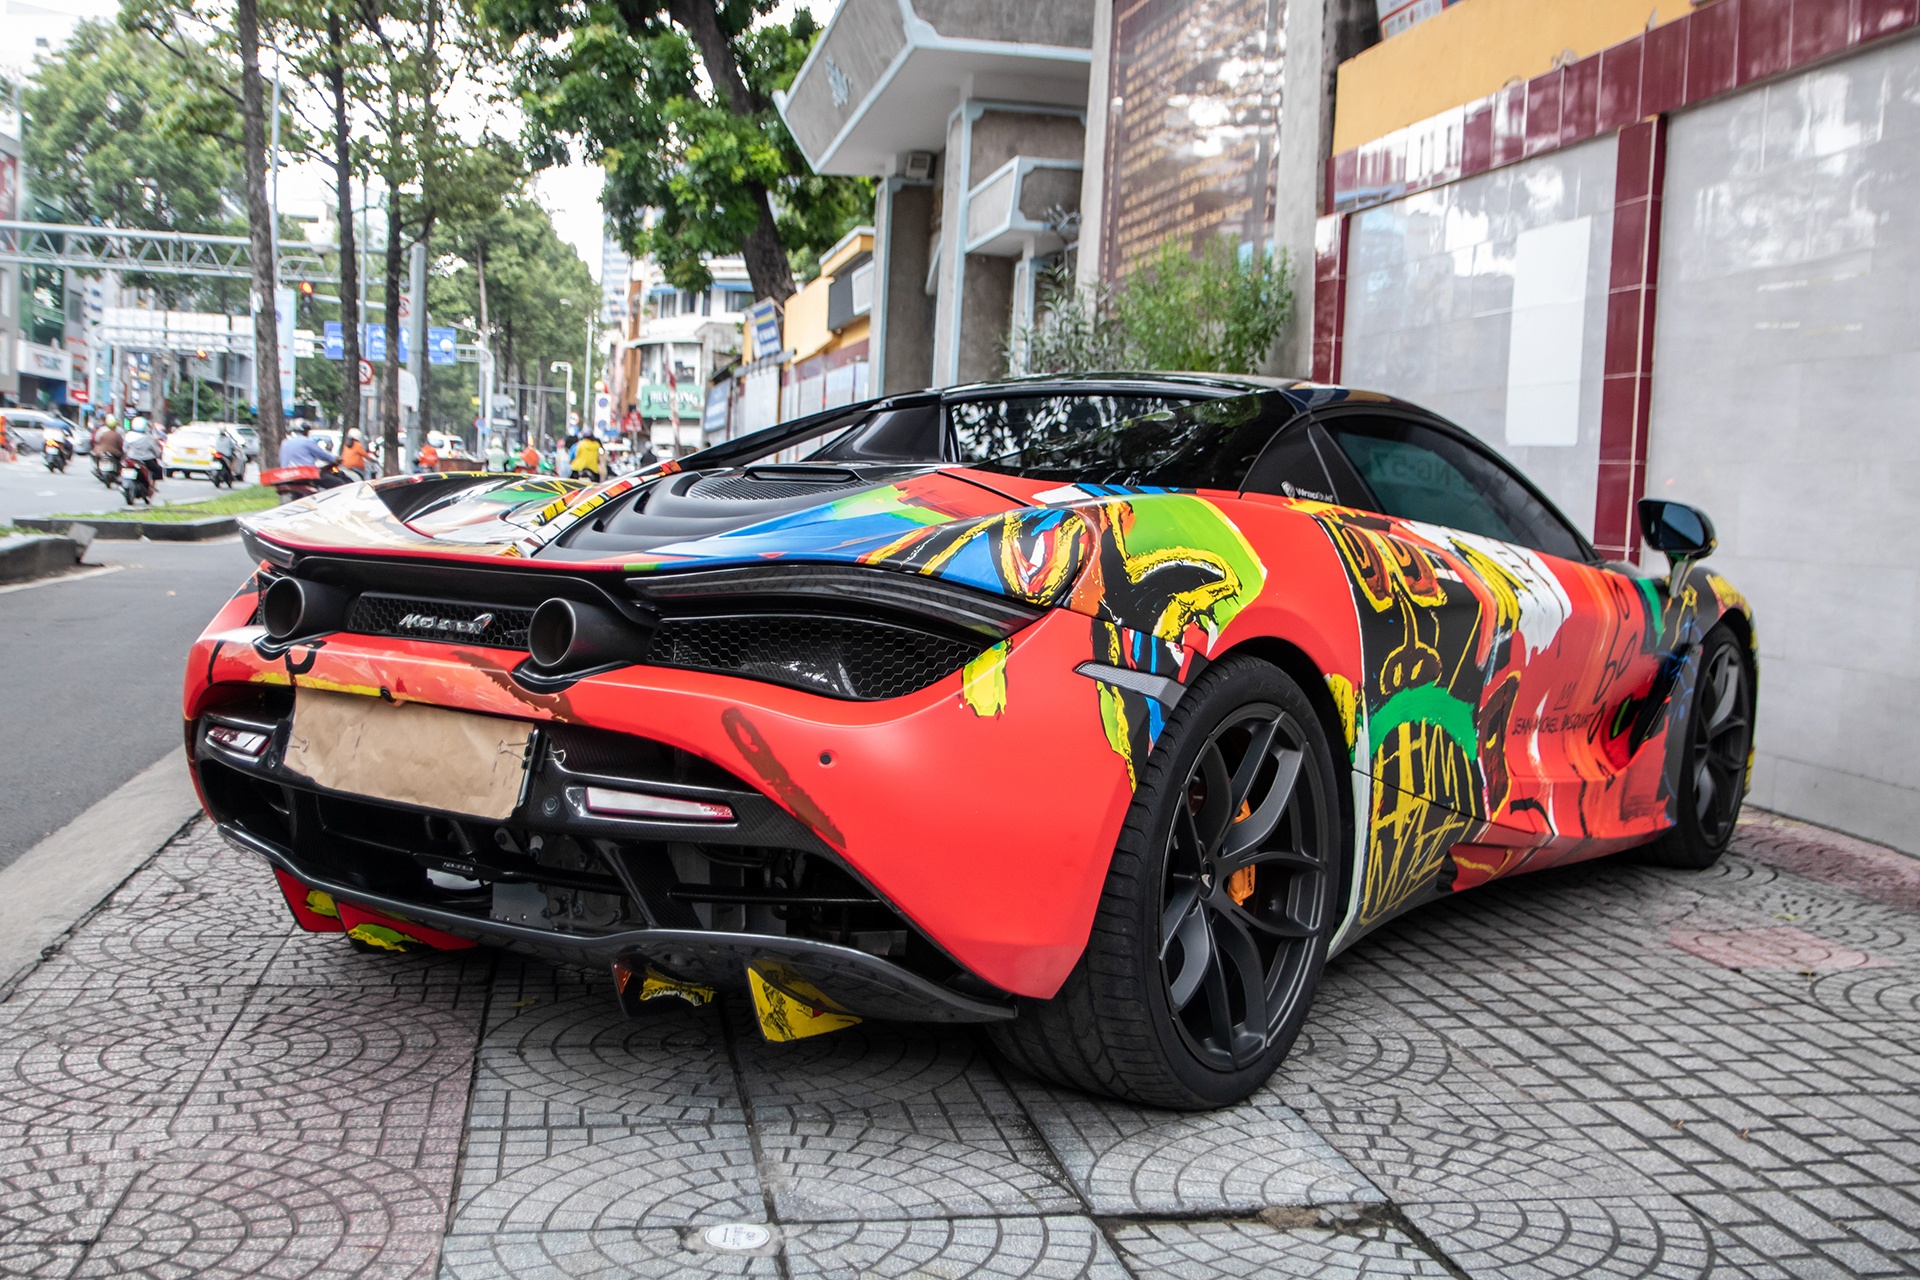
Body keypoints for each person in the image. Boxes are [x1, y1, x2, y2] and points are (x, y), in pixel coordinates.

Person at [122, 419, 163, 491]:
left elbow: (125, 448)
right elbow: (155, 450)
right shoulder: (148, 438)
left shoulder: (128, 435)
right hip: (146, 459)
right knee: (157, 469)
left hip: (131, 457)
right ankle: (152, 486)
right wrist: (159, 455)